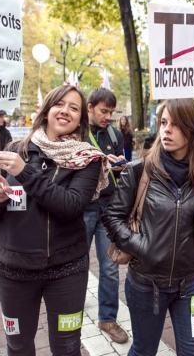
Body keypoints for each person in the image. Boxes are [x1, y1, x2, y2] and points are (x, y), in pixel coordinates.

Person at [0, 85, 110, 356]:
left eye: (73, 108)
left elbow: (70, 205)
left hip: (67, 271)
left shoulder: (87, 159)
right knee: (18, 345)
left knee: (67, 346)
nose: (65, 111)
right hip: (13, 270)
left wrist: (25, 174)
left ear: (80, 120)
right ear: (47, 110)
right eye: (60, 104)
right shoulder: (15, 149)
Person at [102, 98, 194, 356]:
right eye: (164, 122)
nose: (166, 130)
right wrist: (142, 246)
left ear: (193, 130)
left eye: (175, 124)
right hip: (146, 285)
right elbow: (111, 218)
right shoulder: (138, 171)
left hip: (191, 285)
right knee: (144, 351)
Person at [84, 87, 129, 343]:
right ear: (89, 107)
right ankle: (71, 306)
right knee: (77, 263)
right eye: (104, 111)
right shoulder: (77, 132)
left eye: (111, 112)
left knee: (111, 266)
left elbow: (120, 172)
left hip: (108, 207)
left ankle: (108, 318)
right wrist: (99, 160)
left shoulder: (115, 134)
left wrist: (120, 168)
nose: (108, 116)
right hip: (83, 207)